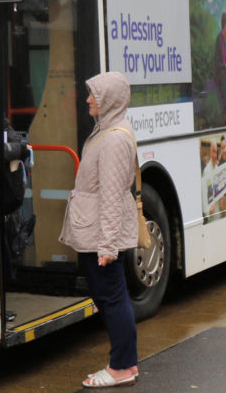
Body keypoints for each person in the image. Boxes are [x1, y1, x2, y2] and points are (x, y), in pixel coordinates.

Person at [59, 72, 139, 387]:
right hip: (94, 232)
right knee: (108, 296)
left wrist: (107, 246)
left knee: (112, 297)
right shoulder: (106, 131)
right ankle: (125, 364)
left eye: (94, 95)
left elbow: (111, 197)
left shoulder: (115, 138)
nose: (88, 99)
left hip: (100, 237)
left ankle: (121, 367)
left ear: (109, 100)